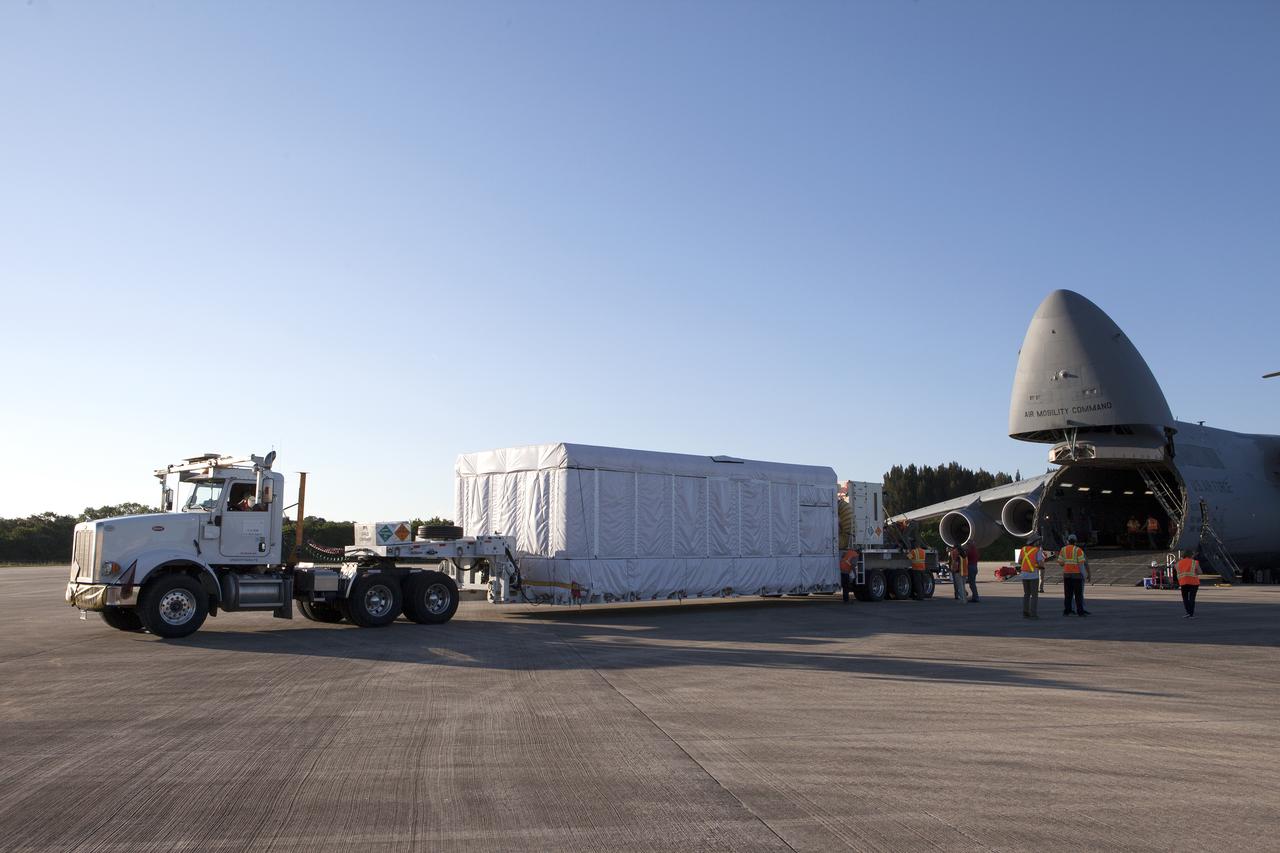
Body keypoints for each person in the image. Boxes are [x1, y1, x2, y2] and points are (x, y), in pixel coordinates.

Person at [1057, 534, 1090, 616]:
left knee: (1068, 594)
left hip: (1067, 575)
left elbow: (1060, 563)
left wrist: (1066, 563)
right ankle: (1080, 611)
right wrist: (1084, 575)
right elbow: (1081, 564)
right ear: (1075, 542)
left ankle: (1067, 611)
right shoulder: (1078, 550)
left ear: (1068, 541)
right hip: (1077, 575)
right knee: (1078, 595)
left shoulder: (1063, 549)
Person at [1019, 537, 1044, 619]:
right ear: (1035, 543)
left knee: (1026, 594)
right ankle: (1033, 613)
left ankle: (1025, 612)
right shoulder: (1037, 550)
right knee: (1034, 595)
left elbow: (1019, 561)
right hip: (1033, 576)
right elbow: (1040, 564)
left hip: (1024, 575)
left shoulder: (1023, 549)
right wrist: (1037, 566)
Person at [1177, 549, 1202, 617]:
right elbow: (1200, 572)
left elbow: (1177, 571)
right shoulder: (1195, 562)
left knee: (1185, 598)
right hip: (1194, 582)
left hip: (1183, 582)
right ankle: (1191, 613)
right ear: (1191, 555)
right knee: (1192, 598)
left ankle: (1188, 612)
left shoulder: (1179, 563)